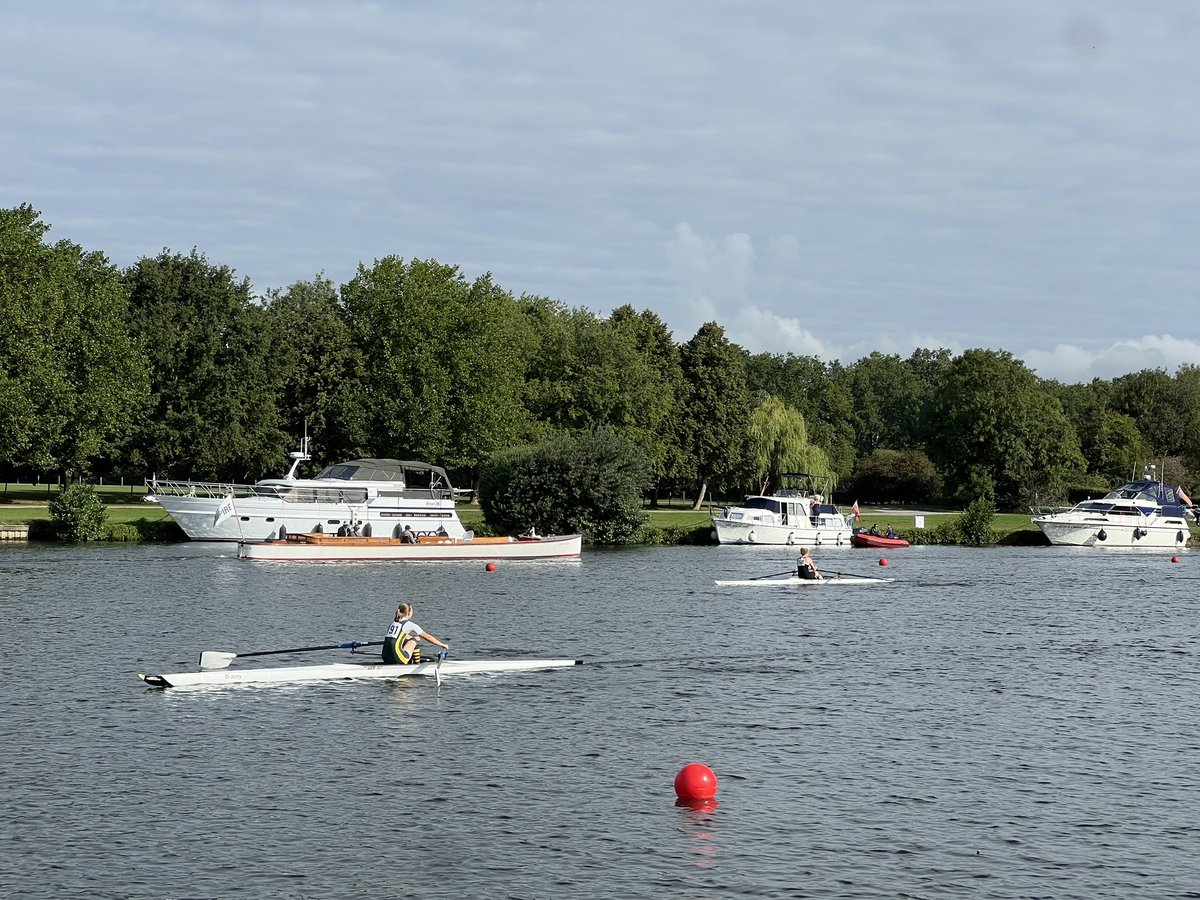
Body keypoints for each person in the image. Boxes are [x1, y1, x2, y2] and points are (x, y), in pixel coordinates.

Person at [383, 602, 449, 665]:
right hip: (398, 657)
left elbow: (399, 638)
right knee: (416, 639)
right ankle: (416, 664)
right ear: (408, 613)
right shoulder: (409, 624)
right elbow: (428, 637)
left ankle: (410, 661)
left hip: (385, 657)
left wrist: (410, 638)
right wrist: (442, 645)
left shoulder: (393, 624)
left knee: (408, 639)